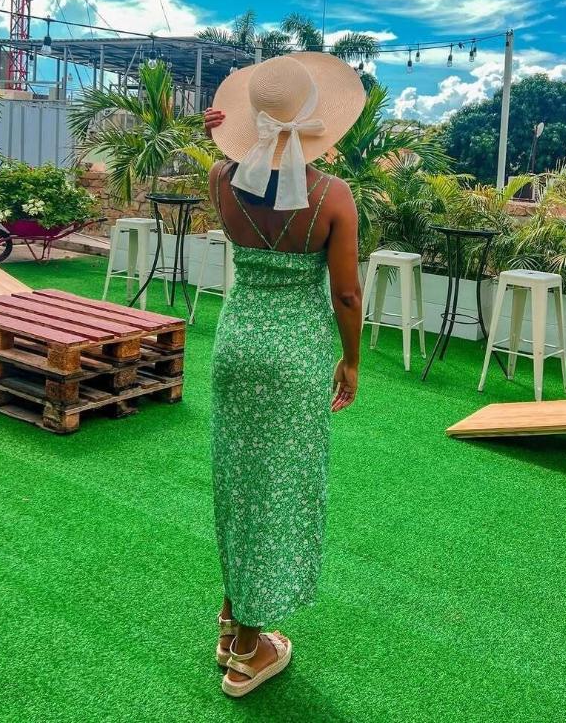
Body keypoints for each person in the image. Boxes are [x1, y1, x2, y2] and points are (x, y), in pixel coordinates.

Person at [202, 51, 365, 698]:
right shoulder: (333, 196)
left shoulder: (220, 178)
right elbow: (346, 294)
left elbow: (235, 165)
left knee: (238, 481)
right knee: (276, 489)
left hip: (236, 346)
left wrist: (221, 140)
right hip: (294, 357)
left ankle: (230, 616)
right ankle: (248, 649)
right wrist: (351, 360)